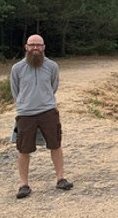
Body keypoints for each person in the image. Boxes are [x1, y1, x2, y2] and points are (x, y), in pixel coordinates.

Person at [10, 35, 73, 199]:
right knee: (23, 149)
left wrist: (44, 101)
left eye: (38, 45)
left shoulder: (52, 66)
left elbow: (53, 86)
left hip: (48, 112)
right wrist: (25, 104)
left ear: (44, 47)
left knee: (55, 144)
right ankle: (23, 184)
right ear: (26, 47)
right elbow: (15, 91)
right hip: (25, 114)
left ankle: (60, 178)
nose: (35, 48)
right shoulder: (17, 68)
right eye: (32, 45)